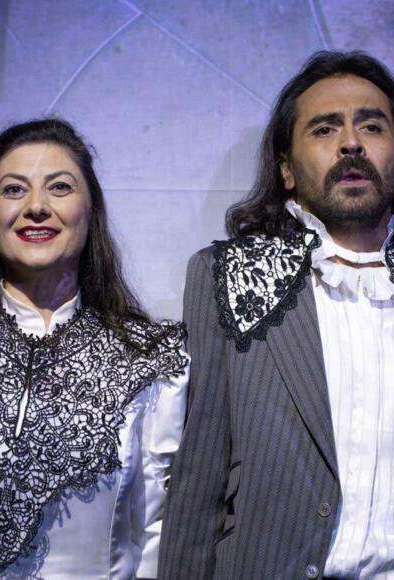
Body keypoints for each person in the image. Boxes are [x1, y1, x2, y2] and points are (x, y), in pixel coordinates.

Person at [158, 51, 394, 579]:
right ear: (286, 168)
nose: (351, 143)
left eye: (372, 126)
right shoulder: (229, 276)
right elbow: (199, 481)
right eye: (324, 129)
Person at [0, 118, 189, 579]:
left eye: (59, 187)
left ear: (90, 210)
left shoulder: (151, 359)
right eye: (14, 190)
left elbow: (157, 530)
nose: (36, 207)